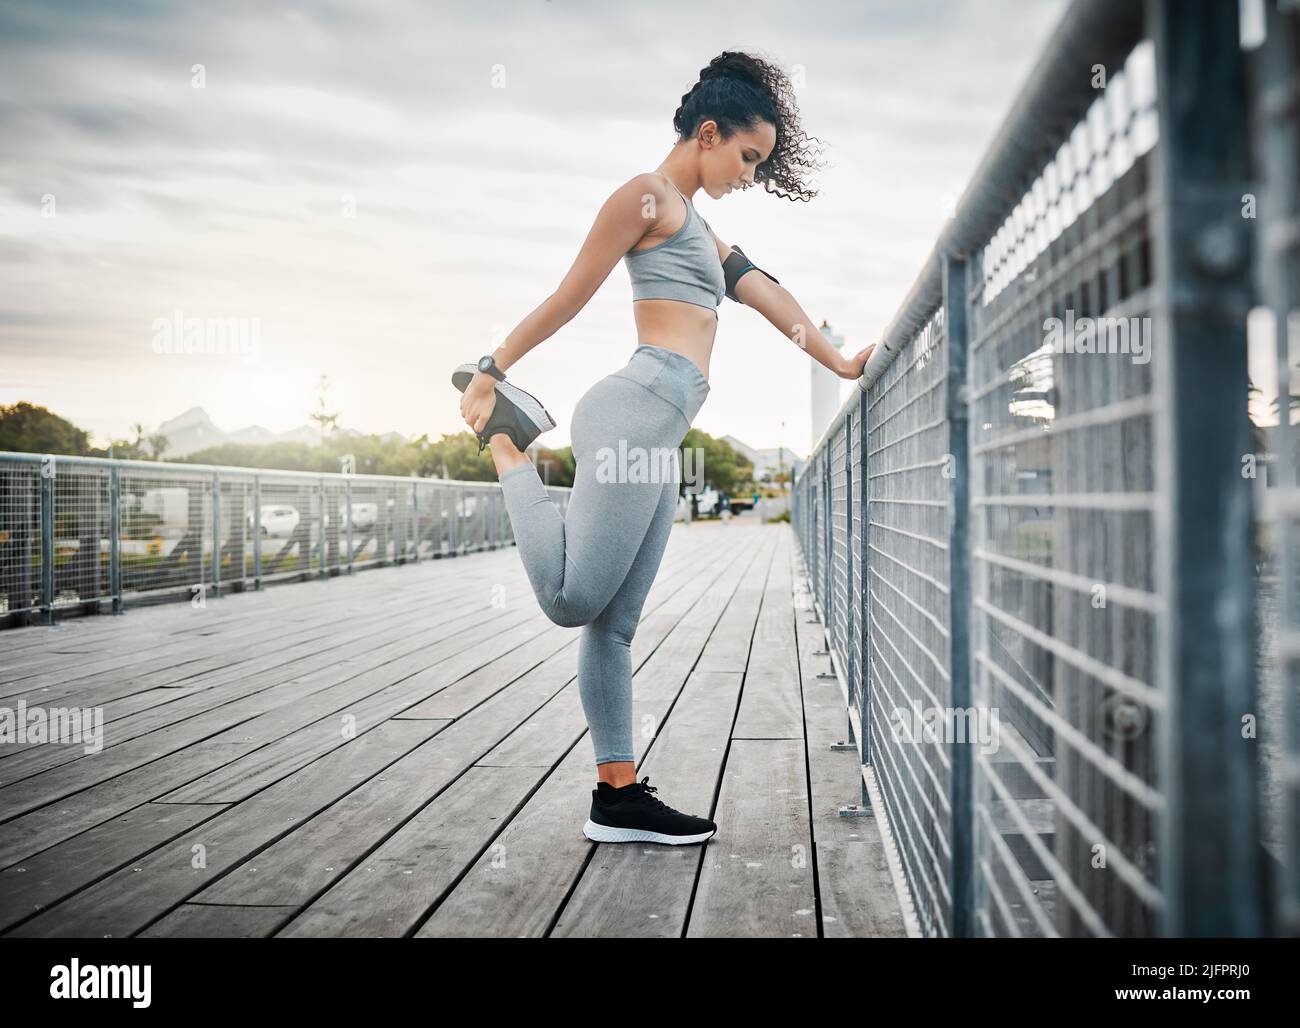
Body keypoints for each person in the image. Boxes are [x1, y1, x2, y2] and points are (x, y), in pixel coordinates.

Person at [452, 50, 874, 845]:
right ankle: (508, 443)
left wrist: (841, 363)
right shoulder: (645, 197)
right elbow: (569, 295)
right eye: (746, 156)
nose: (750, 174)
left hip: (658, 428)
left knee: (613, 625)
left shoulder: (704, 228)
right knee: (573, 600)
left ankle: (616, 797)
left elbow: (768, 294)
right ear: (707, 133)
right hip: (630, 411)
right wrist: (491, 368)